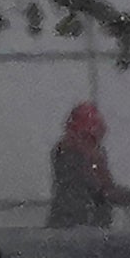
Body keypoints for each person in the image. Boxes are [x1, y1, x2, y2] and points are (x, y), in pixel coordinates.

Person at [48, 97, 123, 230]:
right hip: (76, 228)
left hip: (86, 227)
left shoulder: (92, 155)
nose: (96, 142)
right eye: (91, 136)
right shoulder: (71, 155)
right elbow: (98, 187)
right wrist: (124, 196)